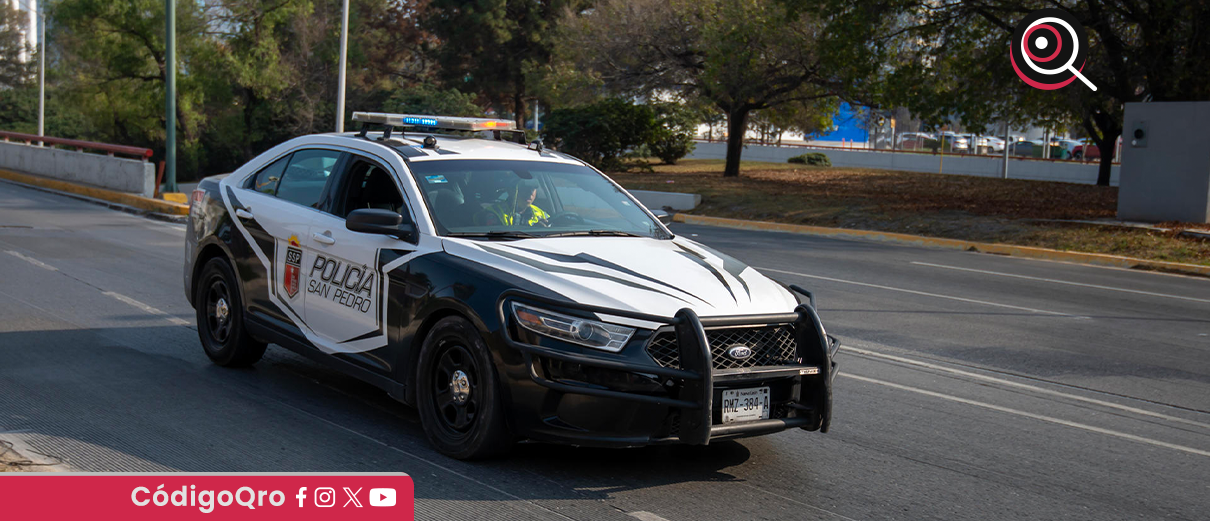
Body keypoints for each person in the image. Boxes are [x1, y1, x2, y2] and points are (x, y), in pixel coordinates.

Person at [479, 180, 550, 227]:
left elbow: (552, 225)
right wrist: (534, 230)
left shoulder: (540, 213)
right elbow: (496, 240)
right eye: (525, 188)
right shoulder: (494, 213)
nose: (530, 193)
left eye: (533, 189)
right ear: (511, 191)